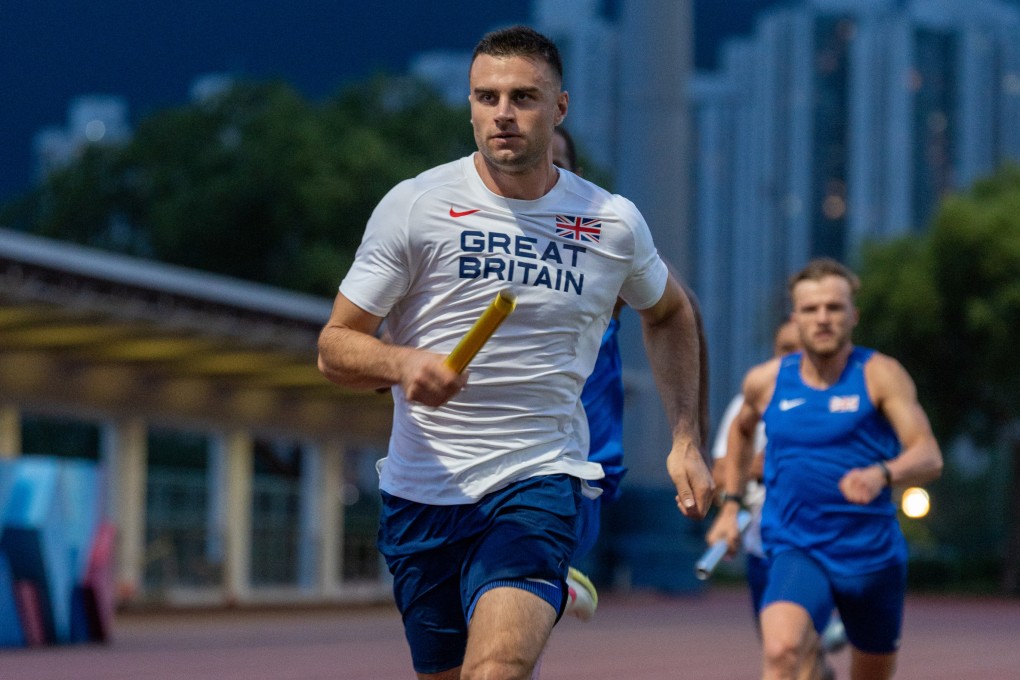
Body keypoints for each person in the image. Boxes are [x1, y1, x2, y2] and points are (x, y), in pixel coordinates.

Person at [317, 25, 712, 680]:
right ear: (470, 105)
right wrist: (404, 363)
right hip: (423, 497)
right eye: (487, 96)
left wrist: (685, 439)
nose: (503, 113)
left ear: (559, 107)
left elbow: (670, 312)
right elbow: (335, 346)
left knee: (497, 667)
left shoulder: (611, 223)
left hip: (538, 480)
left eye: (524, 96)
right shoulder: (415, 206)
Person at [708, 258, 943, 680]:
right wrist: (730, 506)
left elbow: (928, 454)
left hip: (872, 557)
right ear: (795, 317)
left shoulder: (880, 375)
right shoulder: (766, 381)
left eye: (834, 308)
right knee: (781, 652)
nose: (823, 318)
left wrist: (882, 474)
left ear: (853, 315)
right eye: (811, 309)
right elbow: (740, 434)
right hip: (798, 547)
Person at [710, 321, 842, 680]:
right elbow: (722, 471)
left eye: (801, 347)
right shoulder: (749, 403)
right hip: (761, 545)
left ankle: (816, 663)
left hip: (817, 543)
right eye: (785, 348)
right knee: (778, 649)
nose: (794, 356)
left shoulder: (840, 400)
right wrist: (757, 468)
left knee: (798, 648)